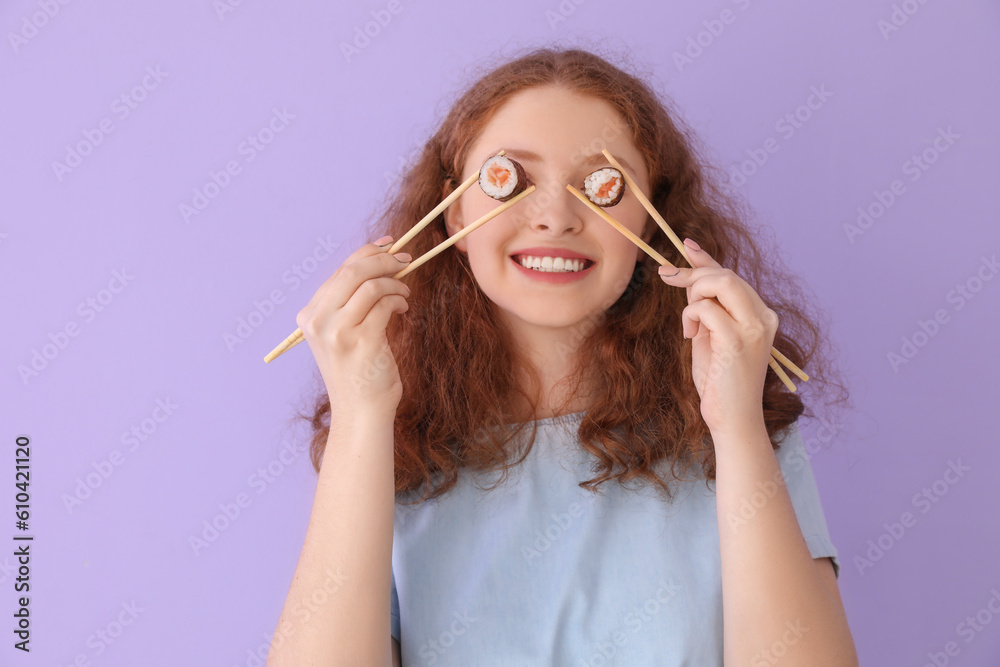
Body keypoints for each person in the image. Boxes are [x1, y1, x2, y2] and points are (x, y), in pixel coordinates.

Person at [267, 47, 859, 666]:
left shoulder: (738, 420)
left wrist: (736, 428)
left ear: (651, 223)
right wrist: (361, 419)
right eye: (508, 178)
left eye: (602, 185)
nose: (554, 218)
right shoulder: (394, 445)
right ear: (453, 212)